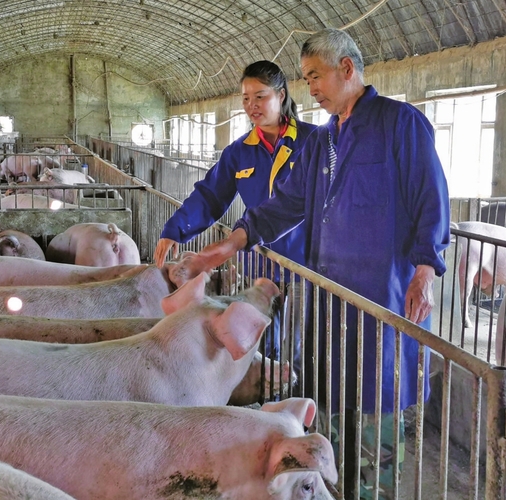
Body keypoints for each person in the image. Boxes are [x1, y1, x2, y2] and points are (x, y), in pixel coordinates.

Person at [188, 28, 450, 499]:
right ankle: (336, 485)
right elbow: (286, 205)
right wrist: (230, 243)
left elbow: (431, 198)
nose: (310, 88)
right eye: (306, 78)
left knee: (378, 400)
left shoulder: (400, 123)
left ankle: (374, 488)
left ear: (346, 69)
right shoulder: (323, 140)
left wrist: (425, 270)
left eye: (315, 77)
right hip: (331, 297)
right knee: (332, 395)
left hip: (383, 295)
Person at [153, 60, 316, 361]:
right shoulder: (240, 151)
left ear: (281, 96)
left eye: (260, 96)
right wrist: (176, 229)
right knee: (259, 342)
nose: (252, 105)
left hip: (305, 264)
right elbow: (211, 196)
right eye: (245, 98)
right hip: (260, 262)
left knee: (296, 343)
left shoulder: (312, 142)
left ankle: (290, 399)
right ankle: (261, 400)